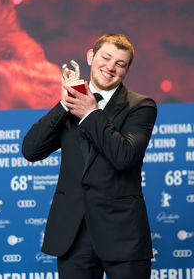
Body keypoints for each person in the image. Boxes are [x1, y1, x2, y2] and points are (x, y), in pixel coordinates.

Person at [22, 33, 157, 279]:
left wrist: (90, 113)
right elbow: (31, 150)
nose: (110, 67)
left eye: (120, 63)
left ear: (127, 70)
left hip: (123, 235)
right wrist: (65, 104)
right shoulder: (71, 104)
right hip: (72, 236)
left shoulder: (141, 106)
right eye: (106, 58)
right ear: (91, 56)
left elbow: (124, 156)